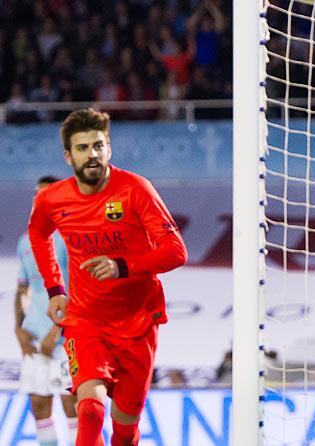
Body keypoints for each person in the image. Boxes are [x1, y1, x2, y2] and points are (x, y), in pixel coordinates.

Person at [28, 108, 188, 446]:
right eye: (83, 148)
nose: (92, 155)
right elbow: (38, 234)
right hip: (87, 322)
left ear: (109, 149)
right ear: (68, 156)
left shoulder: (135, 190)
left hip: (138, 325)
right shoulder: (52, 199)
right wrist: (55, 288)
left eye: (99, 146)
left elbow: (176, 250)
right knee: (89, 412)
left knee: (125, 431)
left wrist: (122, 266)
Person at [15, 175, 78, 446]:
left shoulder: (69, 239)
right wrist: (18, 329)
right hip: (34, 336)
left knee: (72, 404)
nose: (40, 200)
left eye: (46, 194)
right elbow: (23, 290)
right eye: (36, 195)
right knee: (39, 405)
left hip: (65, 339)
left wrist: (58, 328)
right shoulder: (25, 241)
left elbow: (77, 288)